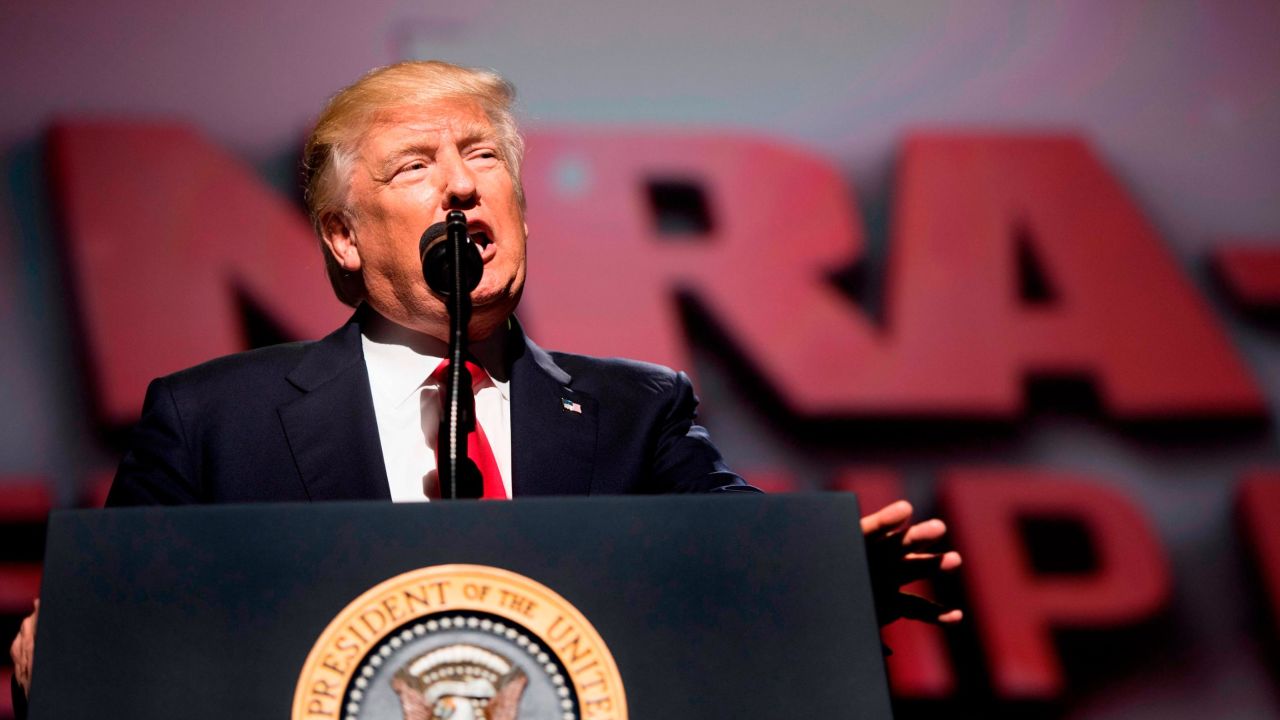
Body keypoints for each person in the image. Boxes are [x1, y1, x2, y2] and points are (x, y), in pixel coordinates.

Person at [9, 60, 961, 710]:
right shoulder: (210, 419)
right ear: (344, 238)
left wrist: (821, 585)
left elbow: (732, 562)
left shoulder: (639, 411)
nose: (461, 187)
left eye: (483, 155)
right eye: (415, 165)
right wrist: (72, 650)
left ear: (522, 207)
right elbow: (112, 639)